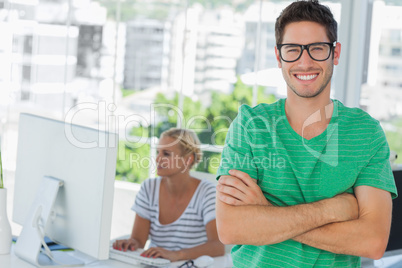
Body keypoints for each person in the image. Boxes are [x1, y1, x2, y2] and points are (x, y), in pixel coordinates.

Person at [215, 1, 398, 267]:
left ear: (335, 54)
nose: (305, 61)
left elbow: (372, 242)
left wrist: (267, 213)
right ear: (279, 57)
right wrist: (332, 210)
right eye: (292, 50)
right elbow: (231, 228)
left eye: (317, 48)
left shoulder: (366, 132)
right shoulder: (250, 125)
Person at [113, 128, 224, 261]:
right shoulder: (149, 188)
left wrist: (177, 255)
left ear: (188, 159)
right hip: (155, 264)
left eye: (166, 154)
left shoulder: (207, 193)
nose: (158, 159)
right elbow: (139, 241)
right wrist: (131, 243)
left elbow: (217, 246)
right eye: (158, 152)